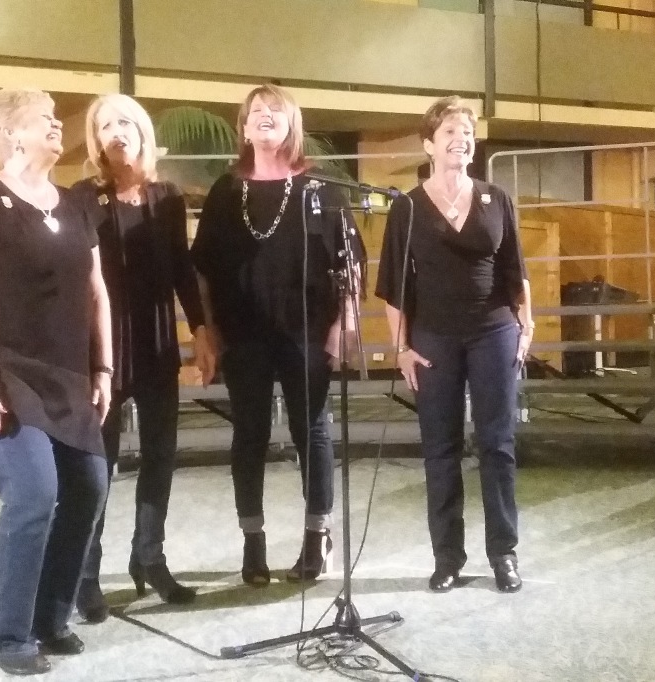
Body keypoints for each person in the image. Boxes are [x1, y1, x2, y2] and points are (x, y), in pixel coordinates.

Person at [0, 88, 112, 675]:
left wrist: (104, 367)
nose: (59, 126)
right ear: (12, 133)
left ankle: (49, 619)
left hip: (68, 375)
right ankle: (2, 633)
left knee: (88, 489)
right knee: (35, 493)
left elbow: (97, 293)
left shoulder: (74, 205)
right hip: (5, 374)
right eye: (46, 119)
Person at [191, 84, 361, 585]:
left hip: (308, 329)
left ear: (292, 125)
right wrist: (207, 331)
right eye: (256, 111)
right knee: (250, 433)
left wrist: (345, 323)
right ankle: (253, 541)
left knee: (312, 431)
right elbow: (202, 270)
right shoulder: (226, 192)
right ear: (244, 128)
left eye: (275, 110)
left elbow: (350, 261)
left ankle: (317, 537)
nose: (265, 116)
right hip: (243, 332)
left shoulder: (320, 188)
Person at [376, 95, 531, 594]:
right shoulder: (407, 206)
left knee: (497, 445)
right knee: (440, 449)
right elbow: (394, 285)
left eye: (467, 132)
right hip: (433, 337)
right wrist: (401, 347)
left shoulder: (496, 198)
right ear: (429, 144)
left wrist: (526, 325)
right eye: (449, 132)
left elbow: (515, 270)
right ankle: (447, 557)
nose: (461, 139)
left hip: (494, 331)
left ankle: (503, 553)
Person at [69, 93, 215, 619]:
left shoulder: (167, 197)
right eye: (106, 125)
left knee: (160, 456)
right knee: (99, 465)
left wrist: (200, 328)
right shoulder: (81, 198)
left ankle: (149, 558)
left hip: (155, 343)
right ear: (96, 139)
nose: (116, 131)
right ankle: (85, 573)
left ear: (142, 132)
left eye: (125, 122)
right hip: (102, 348)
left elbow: (181, 268)